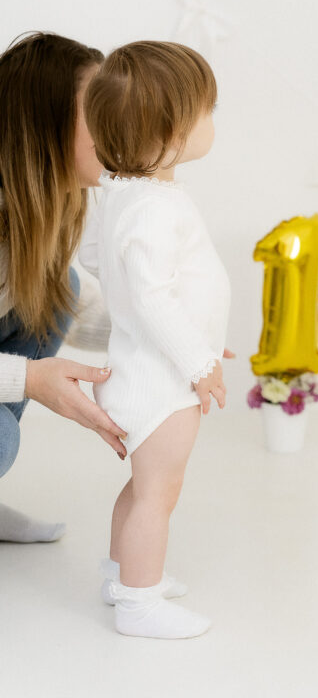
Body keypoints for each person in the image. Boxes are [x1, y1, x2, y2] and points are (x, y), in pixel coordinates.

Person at [80, 40, 232, 639]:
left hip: (151, 368)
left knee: (143, 487)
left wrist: (197, 337)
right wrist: (195, 360)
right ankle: (141, 603)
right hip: (161, 385)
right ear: (169, 132)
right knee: (158, 494)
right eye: (207, 112)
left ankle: (123, 576)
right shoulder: (152, 208)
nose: (214, 121)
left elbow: (99, 258)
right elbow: (149, 296)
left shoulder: (124, 195)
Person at [0, 32, 129, 545]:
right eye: (96, 111)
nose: (114, 125)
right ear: (43, 125)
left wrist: (175, 334)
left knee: (56, 288)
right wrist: (30, 380)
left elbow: (79, 307)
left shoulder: (34, 214)